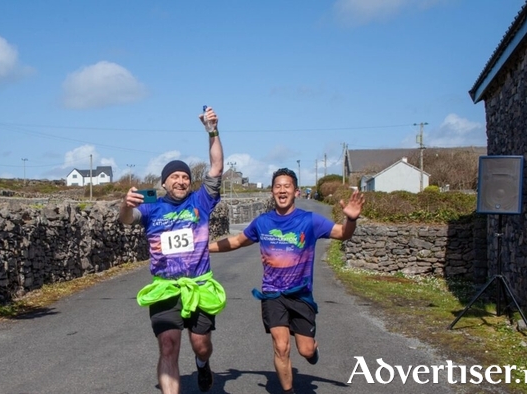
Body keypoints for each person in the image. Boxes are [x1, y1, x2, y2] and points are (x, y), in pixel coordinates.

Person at [208, 168, 365, 394]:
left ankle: (312, 350)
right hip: (272, 294)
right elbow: (236, 242)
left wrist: (351, 219)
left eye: (287, 186)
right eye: (278, 186)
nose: (282, 190)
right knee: (281, 346)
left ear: (296, 191)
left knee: (306, 350)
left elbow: (343, 234)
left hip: (300, 295)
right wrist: (205, 249)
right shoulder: (262, 222)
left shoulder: (309, 220)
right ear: (272, 191)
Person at [119, 107, 225, 394]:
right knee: (168, 345)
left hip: (199, 286)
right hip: (165, 288)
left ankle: (203, 365)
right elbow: (127, 220)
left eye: (185, 176)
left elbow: (216, 167)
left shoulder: (200, 202)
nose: (180, 181)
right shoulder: (152, 207)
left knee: (201, 345)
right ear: (164, 182)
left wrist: (212, 130)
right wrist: (126, 205)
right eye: (174, 177)